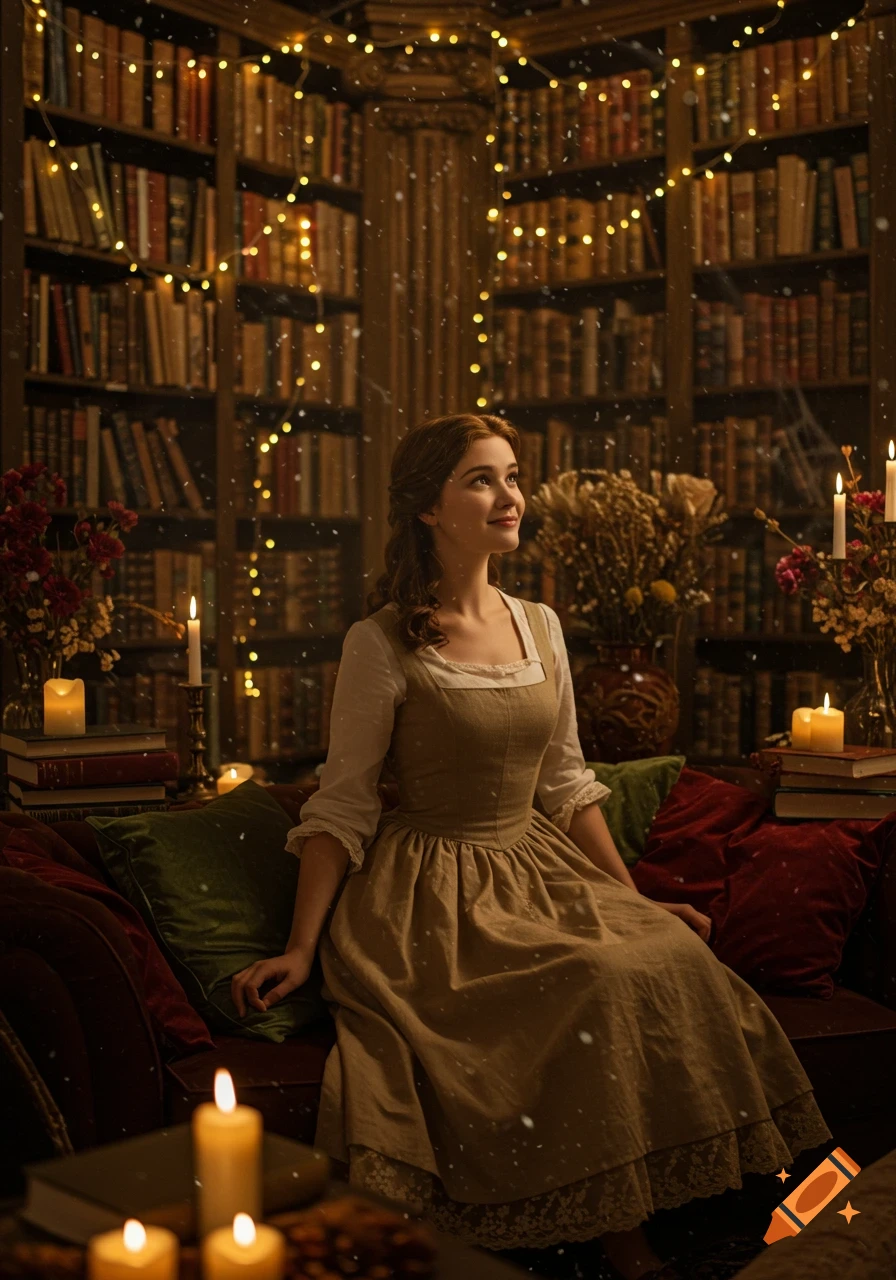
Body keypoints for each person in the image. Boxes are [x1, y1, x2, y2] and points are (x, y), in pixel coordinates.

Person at [232, 414, 832, 1280]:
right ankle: (618, 1240)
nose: (510, 496)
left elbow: (568, 785)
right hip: (429, 894)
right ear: (428, 509)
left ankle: (792, 1220)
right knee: (593, 977)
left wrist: (630, 899)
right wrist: (299, 946)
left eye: (512, 476)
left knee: (663, 952)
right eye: (482, 479)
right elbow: (343, 805)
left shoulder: (540, 624)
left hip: (535, 866)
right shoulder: (385, 640)